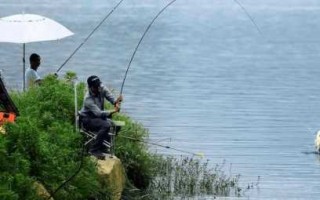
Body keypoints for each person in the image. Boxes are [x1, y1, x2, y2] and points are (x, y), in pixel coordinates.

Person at [79, 75, 122, 159]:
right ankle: (94, 150)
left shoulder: (101, 88)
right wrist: (113, 111)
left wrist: (116, 102)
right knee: (106, 125)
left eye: (99, 85)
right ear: (91, 87)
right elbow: (99, 113)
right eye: (96, 86)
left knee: (117, 125)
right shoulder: (88, 99)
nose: (98, 88)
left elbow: (110, 97)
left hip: (98, 118)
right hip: (87, 119)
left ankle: (103, 147)